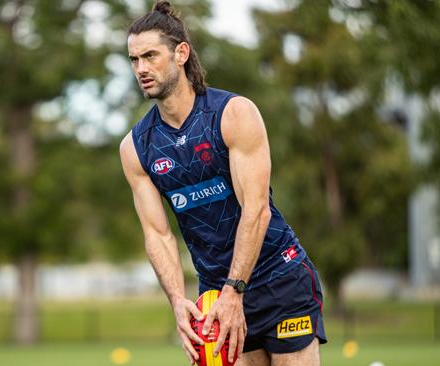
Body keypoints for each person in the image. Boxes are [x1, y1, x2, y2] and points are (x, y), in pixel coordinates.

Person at [119, 1, 327, 365]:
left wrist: (235, 291)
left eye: (150, 56)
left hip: (279, 277)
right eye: (134, 60)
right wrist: (178, 301)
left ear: (181, 53)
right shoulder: (136, 148)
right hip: (216, 296)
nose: (141, 68)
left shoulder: (233, 114)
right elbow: (158, 234)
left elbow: (256, 210)